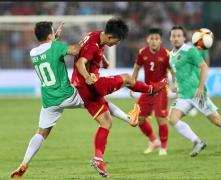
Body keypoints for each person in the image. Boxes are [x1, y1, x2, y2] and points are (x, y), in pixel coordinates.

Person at [71, 18, 167, 177]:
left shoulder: (94, 36)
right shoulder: (93, 46)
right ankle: (151, 89)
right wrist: (88, 76)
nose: (116, 44)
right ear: (109, 36)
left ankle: (98, 159)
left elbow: (88, 47)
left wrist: (104, 61)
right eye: (116, 41)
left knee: (106, 122)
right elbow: (81, 62)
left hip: (82, 89)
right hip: (91, 85)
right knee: (128, 79)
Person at [10, 21, 86, 178]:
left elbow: (48, 50)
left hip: (49, 101)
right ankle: (128, 118)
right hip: (67, 95)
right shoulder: (56, 47)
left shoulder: (33, 53)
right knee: (99, 101)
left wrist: (54, 39)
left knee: (41, 133)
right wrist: (85, 40)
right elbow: (75, 50)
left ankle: (24, 163)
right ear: (50, 34)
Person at [168, 25, 221, 158]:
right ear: (170, 38)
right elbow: (175, 74)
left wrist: (200, 88)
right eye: (173, 36)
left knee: (217, 120)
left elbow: (204, 67)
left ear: (183, 38)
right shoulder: (171, 55)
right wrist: (175, 85)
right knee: (172, 119)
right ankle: (197, 142)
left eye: (178, 36)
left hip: (197, 94)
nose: (176, 38)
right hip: (183, 96)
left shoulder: (190, 51)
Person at [131, 28, 170, 156]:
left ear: (161, 40)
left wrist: (175, 83)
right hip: (147, 90)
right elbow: (137, 67)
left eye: (156, 39)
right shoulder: (143, 52)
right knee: (138, 119)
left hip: (160, 90)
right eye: (151, 38)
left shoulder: (166, 54)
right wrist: (133, 83)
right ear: (148, 40)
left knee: (161, 118)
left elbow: (173, 70)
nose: (154, 41)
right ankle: (154, 141)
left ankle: (163, 147)